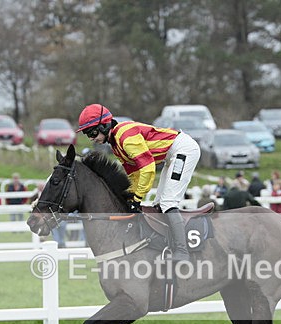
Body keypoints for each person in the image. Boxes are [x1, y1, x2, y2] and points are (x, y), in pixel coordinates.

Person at [76, 103, 200, 263]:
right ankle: (167, 245)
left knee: (168, 203)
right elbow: (134, 174)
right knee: (159, 204)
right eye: (87, 135)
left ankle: (182, 252)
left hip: (183, 150)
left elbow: (147, 169)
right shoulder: (115, 145)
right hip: (171, 154)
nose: (92, 138)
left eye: (92, 132)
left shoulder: (125, 138)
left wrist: (137, 198)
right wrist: (130, 196)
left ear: (105, 125)